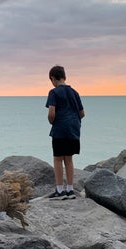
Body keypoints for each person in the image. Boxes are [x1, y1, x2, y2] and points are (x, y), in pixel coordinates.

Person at [45, 65, 85, 200]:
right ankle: (70, 189)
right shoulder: (75, 92)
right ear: (64, 77)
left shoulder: (54, 92)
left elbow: (51, 113)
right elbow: (82, 113)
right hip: (74, 129)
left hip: (60, 129)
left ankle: (60, 190)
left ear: (52, 78)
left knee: (57, 158)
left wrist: (52, 121)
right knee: (69, 158)